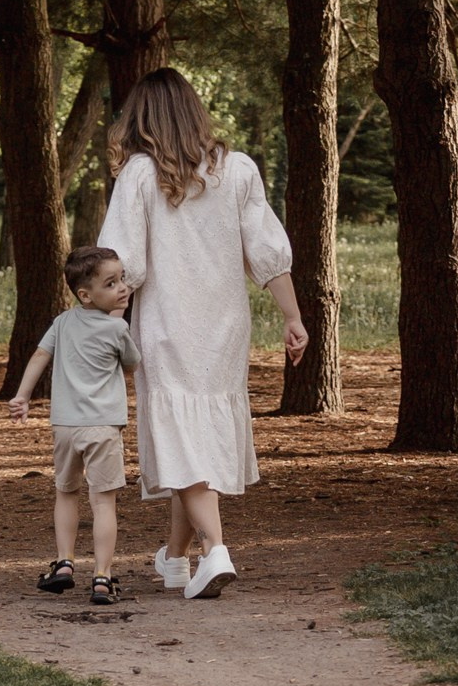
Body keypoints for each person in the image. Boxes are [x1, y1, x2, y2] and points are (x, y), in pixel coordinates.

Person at [99, 68, 306, 600]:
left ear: (142, 118)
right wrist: (292, 317)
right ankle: (174, 558)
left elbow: (122, 265)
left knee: (182, 438)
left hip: (167, 325)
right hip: (224, 327)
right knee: (195, 438)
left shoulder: (139, 174)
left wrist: (102, 329)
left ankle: (215, 550)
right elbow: (266, 250)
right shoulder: (237, 169)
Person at [5, 243, 139, 605]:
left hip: (65, 426)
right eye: (111, 283)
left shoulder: (62, 323)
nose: (122, 288)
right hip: (103, 427)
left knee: (66, 493)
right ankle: (102, 577)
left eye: (122, 279)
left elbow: (39, 355)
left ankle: (63, 562)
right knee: (103, 503)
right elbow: (131, 365)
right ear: (86, 295)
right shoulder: (117, 329)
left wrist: (22, 396)